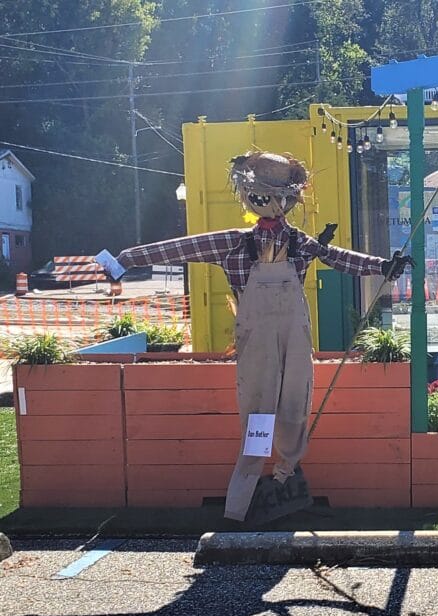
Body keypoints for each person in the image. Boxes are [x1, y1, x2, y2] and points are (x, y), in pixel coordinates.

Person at [113, 150, 412, 523]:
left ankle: (286, 478)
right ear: (249, 195)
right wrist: (125, 259)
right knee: (259, 411)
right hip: (256, 339)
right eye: (266, 195)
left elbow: (337, 257)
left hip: (294, 335)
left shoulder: (300, 242)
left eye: (282, 197)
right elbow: (181, 248)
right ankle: (241, 501)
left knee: (296, 403)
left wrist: (383, 266)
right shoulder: (234, 243)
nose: (275, 204)